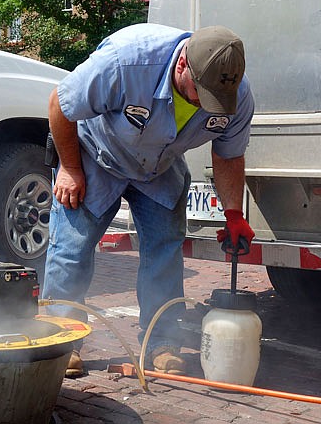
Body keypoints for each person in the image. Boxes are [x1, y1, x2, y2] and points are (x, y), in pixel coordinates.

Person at [42, 23, 256, 377]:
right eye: (200, 92)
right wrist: (69, 169)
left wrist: (234, 213)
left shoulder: (236, 92)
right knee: (71, 249)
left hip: (160, 165)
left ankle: (162, 343)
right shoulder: (125, 61)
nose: (206, 102)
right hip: (98, 156)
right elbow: (59, 105)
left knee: (165, 250)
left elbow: (229, 156)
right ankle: (62, 342)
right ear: (183, 64)